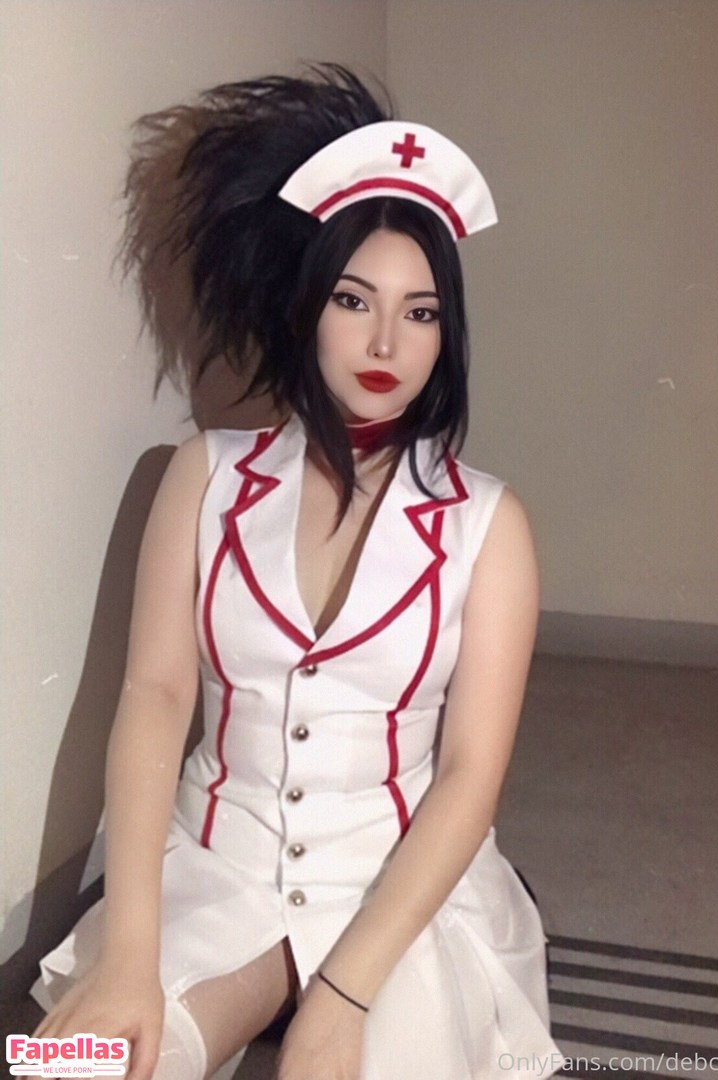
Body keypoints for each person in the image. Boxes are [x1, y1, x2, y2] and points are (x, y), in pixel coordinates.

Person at [28, 65, 560, 1080]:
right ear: (305, 305)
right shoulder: (203, 476)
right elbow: (155, 696)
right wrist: (131, 956)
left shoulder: (491, 525)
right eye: (354, 299)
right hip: (214, 862)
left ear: (447, 334)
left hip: (396, 892)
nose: (385, 341)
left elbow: (470, 777)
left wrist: (342, 1000)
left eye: (420, 313)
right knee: (76, 1069)